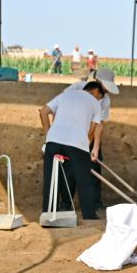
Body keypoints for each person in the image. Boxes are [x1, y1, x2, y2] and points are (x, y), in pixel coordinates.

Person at [39, 80, 106, 221]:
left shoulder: (65, 95)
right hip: (76, 143)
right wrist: (88, 146)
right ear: (95, 91)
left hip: (53, 141)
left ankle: (47, 213)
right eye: (100, 97)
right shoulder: (95, 104)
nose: (99, 100)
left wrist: (49, 135)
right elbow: (93, 129)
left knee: (50, 179)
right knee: (84, 180)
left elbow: (44, 112)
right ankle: (89, 215)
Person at [63, 67, 120, 211]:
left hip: (90, 136)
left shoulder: (105, 101)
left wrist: (95, 147)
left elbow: (99, 124)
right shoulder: (76, 89)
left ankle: (95, 203)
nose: (106, 91)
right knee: (70, 169)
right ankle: (65, 204)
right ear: (98, 81)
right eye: (105, 87)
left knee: (94, 167)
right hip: (71, 135)